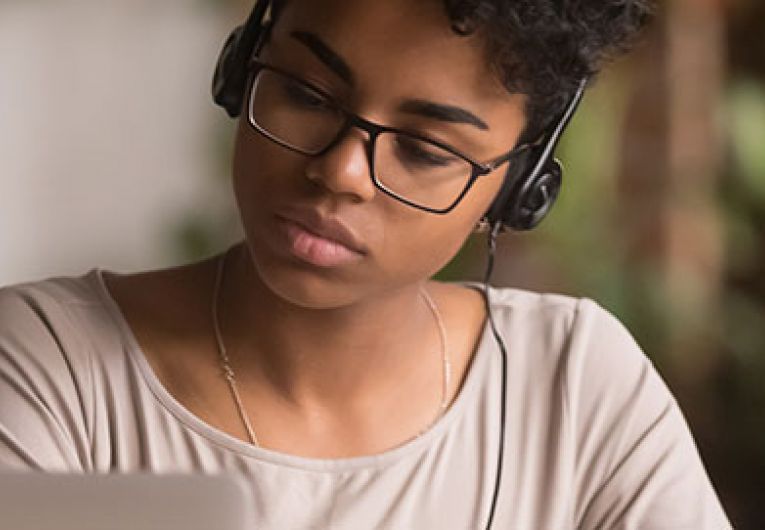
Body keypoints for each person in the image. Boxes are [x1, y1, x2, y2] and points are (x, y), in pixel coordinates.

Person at [0, 0, 731, 528]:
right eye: (305, 94)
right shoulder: (44, 363)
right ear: (239, 72)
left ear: (515, 188)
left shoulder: (575, 383)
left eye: (424, 149)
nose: (342, 172)